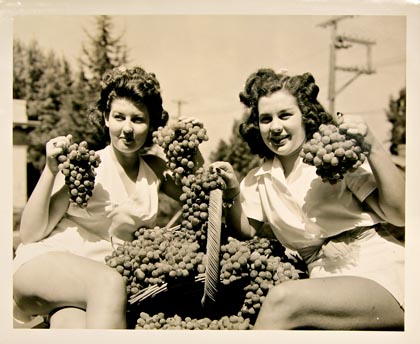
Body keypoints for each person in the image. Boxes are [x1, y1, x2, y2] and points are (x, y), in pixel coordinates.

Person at [212, 68, 405, 330]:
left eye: (285, 115)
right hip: (323, 281)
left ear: (305, 116)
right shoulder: (259, 178)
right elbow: (245, 230)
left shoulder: (332, 157)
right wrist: (233, 193)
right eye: (266, 119)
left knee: (283, 299)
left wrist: (370, 143)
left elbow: (400, 215)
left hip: (379, 270)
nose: (276, 127)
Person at [13, 66, 196, 329]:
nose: (128, 128)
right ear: (106, 118)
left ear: (152, 123)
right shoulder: (86, 166)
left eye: (138, 119)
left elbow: (198, 194)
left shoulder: (155, 169)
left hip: (88, 292)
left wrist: (190, 147)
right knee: (109, 282)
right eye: (119, 117)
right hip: (48, 265)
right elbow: (30, 233)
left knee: (71, 324)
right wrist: (51, 170)